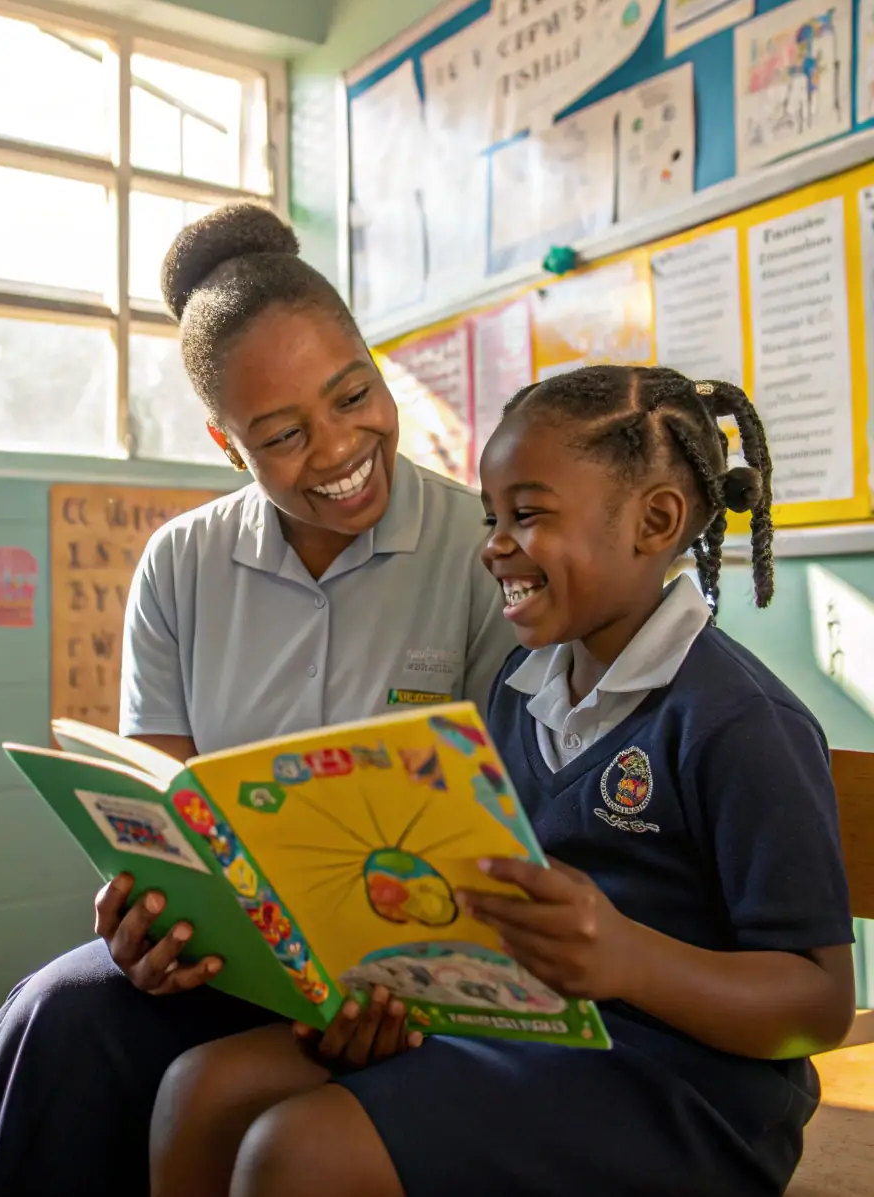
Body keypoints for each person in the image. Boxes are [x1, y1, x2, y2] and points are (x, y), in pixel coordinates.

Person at [147, 364, 856, 1197]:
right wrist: (394, 987)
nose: (493, 544)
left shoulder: (737, 721)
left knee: (298, 1150)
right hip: (527, 1030)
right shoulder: (518, 690)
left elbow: (817, 1002)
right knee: (201, 1090)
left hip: (687, 1088)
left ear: (654, 520)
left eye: (528, 515)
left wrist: (629, 959)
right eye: (492, 517)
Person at [0, 204, 515, 1197]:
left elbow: (505, 838)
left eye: (354, 395)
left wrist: (408, 979)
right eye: (284, 434)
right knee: (43, 1024)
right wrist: (142, 914)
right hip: (232, 964)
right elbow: (153, 806)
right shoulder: (181, 562)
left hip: (415, 976)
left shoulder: (484, 549)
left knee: (204, 1088)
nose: (342, 447)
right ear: (226, 443)